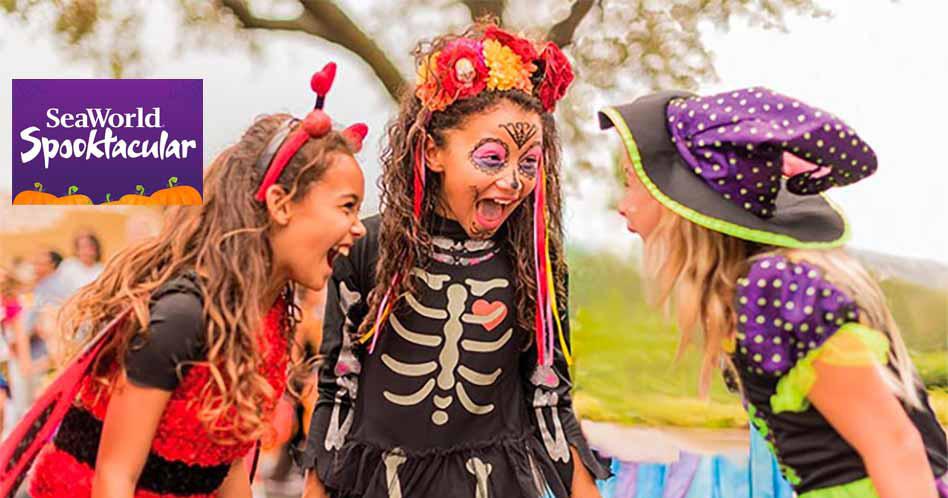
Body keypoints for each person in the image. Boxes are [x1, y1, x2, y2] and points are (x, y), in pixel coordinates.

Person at [25, 63, 369, 498]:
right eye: (347, 207)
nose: (359, 228)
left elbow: (221, 463)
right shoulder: (184, 315)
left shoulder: (266, 316)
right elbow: (114, 477)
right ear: (281, 204)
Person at [302, 22, 608, 498]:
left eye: (529, 163)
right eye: (492, 158)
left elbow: (550, 397)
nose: (513, 182)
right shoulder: (368, 245)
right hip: (380, 483)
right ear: (432, 151)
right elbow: (339, 387)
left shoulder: (534, 261)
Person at [598, 87, 947, 497]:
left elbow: (896, 448)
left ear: (682, 197)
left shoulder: (775, 289)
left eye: (631, 182)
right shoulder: (752, 291)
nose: (623, 204)